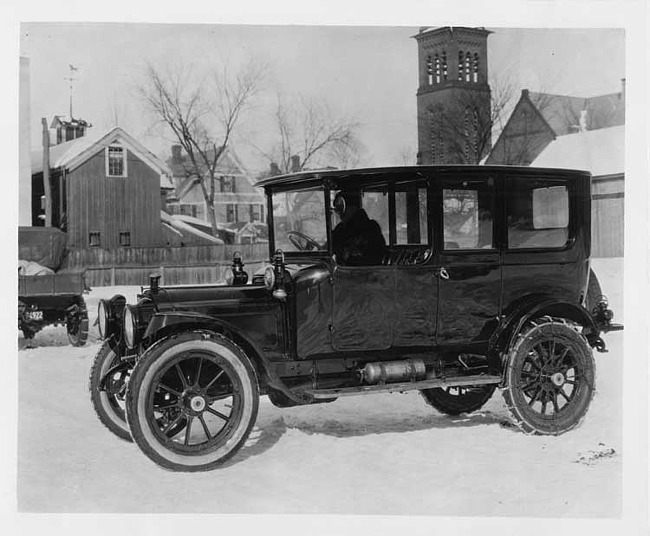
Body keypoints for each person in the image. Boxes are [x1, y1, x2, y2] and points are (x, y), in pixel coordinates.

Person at [331, 191, 386, 265]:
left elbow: (375, 259)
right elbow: (328, 249)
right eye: (338, 209)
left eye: (342, 208)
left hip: (364, 274)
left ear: (353, 207)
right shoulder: (341, 229)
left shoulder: (371, 228)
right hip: (343, 273)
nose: (340, 214)